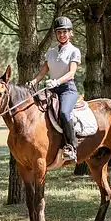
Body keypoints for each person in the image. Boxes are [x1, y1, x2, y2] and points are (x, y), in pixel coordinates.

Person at [28, 16, 81, 161]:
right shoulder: (51, 52)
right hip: (51, 89)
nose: (62, 35)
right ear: (55, 34)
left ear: (70, 33)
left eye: (65, 32)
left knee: (64, 113)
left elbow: (71, 73)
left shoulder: (74, 51)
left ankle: (71, 146)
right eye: (59, 32)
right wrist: (34, 81)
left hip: (67, 89)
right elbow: (44, 71)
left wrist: (57, 81)